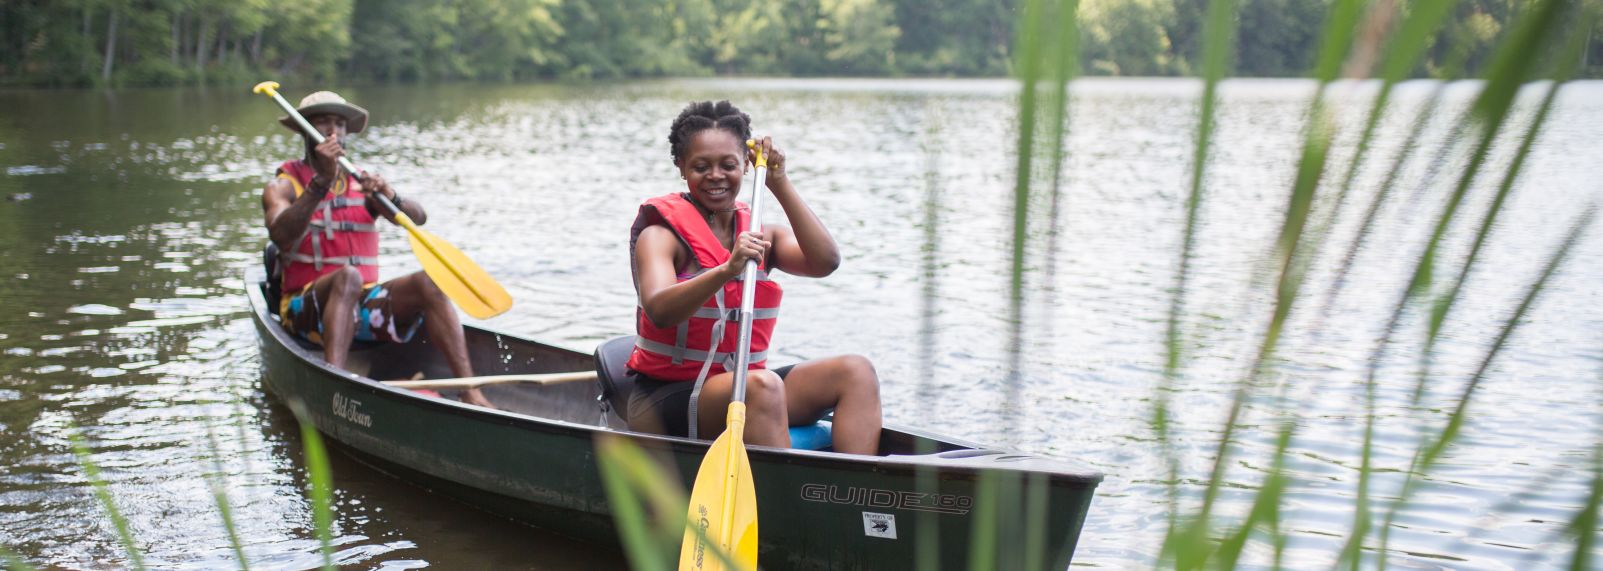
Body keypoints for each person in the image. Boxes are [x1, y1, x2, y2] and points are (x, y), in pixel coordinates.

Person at [625, 100, 881, 454]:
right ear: (682, 167)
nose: (716, 175)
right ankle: (790, 498)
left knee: (856, 372)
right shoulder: (661, 236)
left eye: (728, 165)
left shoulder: (761, 234)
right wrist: (726, 269)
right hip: (670, 398)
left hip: (744, 387)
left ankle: (852, 494)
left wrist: (778, 181)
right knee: (763, 386)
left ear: (745, 166)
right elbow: (658, 309)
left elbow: (826, 261)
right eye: (701, 166)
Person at [261, 90, 494, 409]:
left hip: (361, 306)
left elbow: (418, 219)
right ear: (305, 131)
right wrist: (320, 184)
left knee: (429, 282)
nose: (333, 131)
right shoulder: (284, 185)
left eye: (340, 124)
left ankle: (470, 389)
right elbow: (281, 236)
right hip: (304, 310)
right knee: (348, 277)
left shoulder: (361, 181)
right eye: (323, 123)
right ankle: (335, 384)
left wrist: (389, 195)